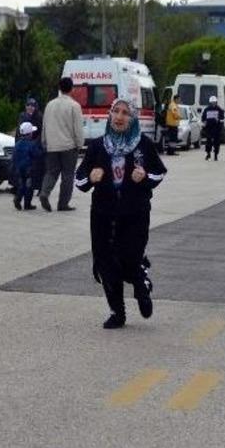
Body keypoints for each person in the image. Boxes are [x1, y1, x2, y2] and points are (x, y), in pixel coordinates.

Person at [74, 98, 167, 329]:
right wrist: (91, 178)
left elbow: (159, 173)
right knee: (105, 262)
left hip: (134, 213)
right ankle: (117, 312)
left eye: (125, 113)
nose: (119, 116)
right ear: (110, 115)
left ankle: (141, 286)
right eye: (116, 111)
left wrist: (144, 177)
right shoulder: (97, 146)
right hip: (103, 214)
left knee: (130, 258)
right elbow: (79, 179)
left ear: (132, 119)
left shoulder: (142, 144)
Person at [40, 77, 84, 212]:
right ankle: (63, 204)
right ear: (72, 89)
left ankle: (44, 193)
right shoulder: (74, 106)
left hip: (52, 146)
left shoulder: (49, 105)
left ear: (59, 88)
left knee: (51, 172)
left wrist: (44, 141)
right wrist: (79, 144)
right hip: (68, 147)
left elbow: (44, 126)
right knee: (68, 175)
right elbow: (78, 128)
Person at [16, 98, 45, 193]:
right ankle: (19, 188)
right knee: (23, 169)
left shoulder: (39, 116)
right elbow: (18, 132)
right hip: (24, 144)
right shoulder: (22, 116)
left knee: (38, 168)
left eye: (32, 105)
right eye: (28, 105)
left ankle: (39, 187)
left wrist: (37, 143)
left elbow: (42, 131)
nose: (30, 107)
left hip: (36, 144)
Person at [13, 122, 44, 210]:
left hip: (19, 168)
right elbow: (37, 155)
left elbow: (14, 157)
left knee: (21, 185)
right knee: (29, 187)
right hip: (28, 169)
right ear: (30, 133)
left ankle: (17, 199)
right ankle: (27, 204)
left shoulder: (17, 144)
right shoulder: (32, 144)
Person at [201, 95, 225, 161]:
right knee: (208, 142)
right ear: (210, 103)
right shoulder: (206, 109)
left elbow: (222, 119)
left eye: (214, 102)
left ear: (216, 102)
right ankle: (208, 153)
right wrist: (204, 121)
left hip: (217, 128)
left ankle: (216, 155)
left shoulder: (219, 109)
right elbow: (203, 118)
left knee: (216, 142)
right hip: (209, 128)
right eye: (212, 102)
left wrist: (219, 120)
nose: (213, 104)